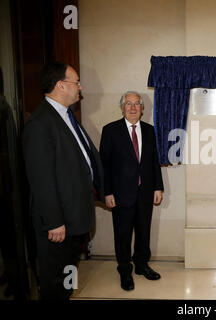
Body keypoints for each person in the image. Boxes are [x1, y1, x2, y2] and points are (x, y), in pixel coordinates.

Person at [23, 61, 104, 300]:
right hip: (58, 226)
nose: (80, 87)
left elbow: (85, 159)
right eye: (76, 82)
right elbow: (41, 178)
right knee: (54, 284)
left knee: (68, 278)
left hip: (73, 219)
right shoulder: (40, 123)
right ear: (60, 85)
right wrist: (54, 221)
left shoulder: (66, 116)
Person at [100, 91, 164, 291]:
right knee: (123, 234)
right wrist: (107, 192)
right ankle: (125, 270)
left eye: (137, 104)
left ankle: (142, 265)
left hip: (145, 193)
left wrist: (158, 187)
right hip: (120, 195)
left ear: (142, 109)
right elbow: (104, 165)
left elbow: (154, 162)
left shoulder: (150, 131)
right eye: (129, 103)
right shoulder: (110, 130)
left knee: (144, 232)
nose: (133, 107)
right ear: (122, 107)